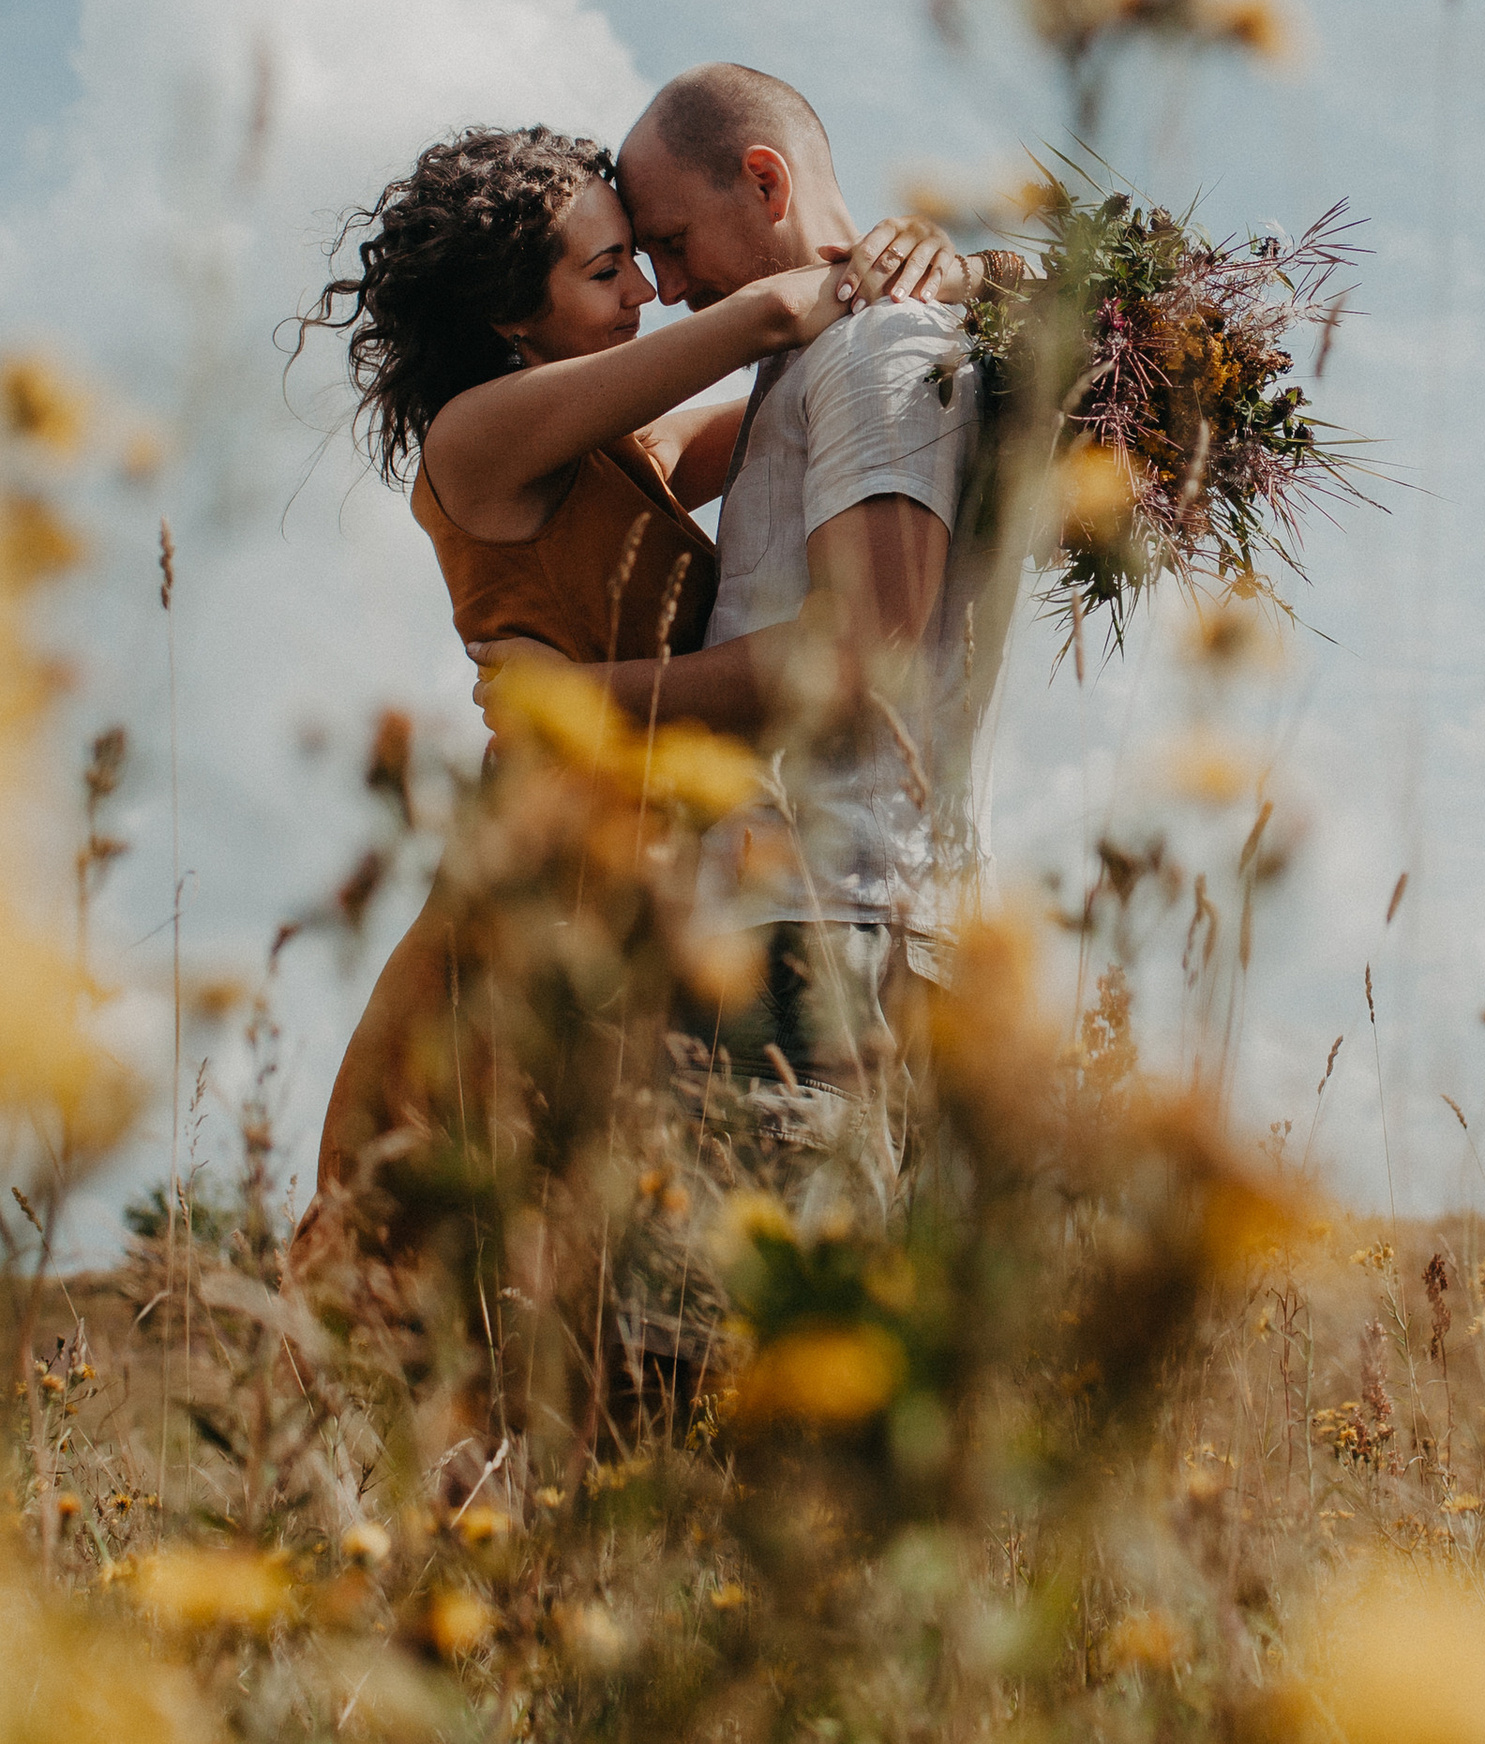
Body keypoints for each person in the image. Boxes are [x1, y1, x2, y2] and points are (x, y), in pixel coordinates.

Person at [292, 121, 979, 1254]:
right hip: (548, 887)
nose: (647, 296)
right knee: (467, 1235)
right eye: (609, 270)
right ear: (512, 316)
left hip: (656, 894)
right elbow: (768, 317)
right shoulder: (476, 441)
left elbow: (781, 403)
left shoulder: (624, 452)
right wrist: (893, 258)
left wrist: (965, 270)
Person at [471, 65, 1023, 1215]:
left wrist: (575, 701)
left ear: (764, 180)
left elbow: (861, 658)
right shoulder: (821, 355)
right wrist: (996, 271)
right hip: (826, 923)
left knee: (721, 1370)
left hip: (814, 928)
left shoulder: (876, 350)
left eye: (667, 244)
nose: (667, 291)